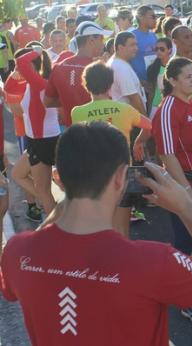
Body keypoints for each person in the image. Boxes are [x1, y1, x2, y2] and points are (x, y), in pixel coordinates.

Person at [0, 121, 192, 344]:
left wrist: (65, 202)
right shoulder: (153, 261)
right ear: (121, 178)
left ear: (58, 177)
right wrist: (187, 208)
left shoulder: (16, 251)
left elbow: (13, 284)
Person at [151, 57, 192, 324]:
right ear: (172, 80)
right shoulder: (168, 108)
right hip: (185, 184)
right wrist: (186, 190)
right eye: (188, 76)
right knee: (184, 241)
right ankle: (185, 299)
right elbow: (166, 154)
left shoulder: (188, 103)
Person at [71, 61, 152, 236]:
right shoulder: (124, 109)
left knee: (98, 226)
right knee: (122, 227)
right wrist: (139, 142)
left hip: (94, 177)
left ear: (86, 85)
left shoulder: (77, 112)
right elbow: (149, 126)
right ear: (110, 85)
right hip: (122, 175)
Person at [7, 46, 59, 217]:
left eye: (17, 66)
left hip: (42, 141)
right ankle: (54, 206)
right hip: (37, 141)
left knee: (42, 190)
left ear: (30, 65)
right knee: (17, 174)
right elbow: (8, 88)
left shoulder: (39, 83)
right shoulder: (34, 83)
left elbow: (22, 62)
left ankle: (55, 224)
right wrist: (15, 75)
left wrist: (37, 49)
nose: (16, 69)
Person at [44, 22, 111, 127]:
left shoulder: (58, 67)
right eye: (102, 40)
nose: (103, 44)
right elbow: (110, 102)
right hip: (97, 132)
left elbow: (47, 102)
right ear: (91, 41)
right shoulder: (99, 69)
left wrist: (68, 101)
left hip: (71, 133)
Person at [108, 31, 148, 163]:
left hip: (126, 121)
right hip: (132, 124)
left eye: (136, 44)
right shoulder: (120, 67)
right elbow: (133, 97)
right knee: (136, 166)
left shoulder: (118, 63)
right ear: (120, 47)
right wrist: (146, 124)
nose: (136, 48)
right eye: (131, 45)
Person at [130, 6, 158, 82]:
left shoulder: (153, 35)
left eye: (156, 17)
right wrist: (140, 81)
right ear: (141, 18)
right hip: (139, 85)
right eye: (153, 17)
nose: (155, 19)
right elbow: (125, 61)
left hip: (154, 81)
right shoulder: (131, 36)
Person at [147, 37, 173, 119]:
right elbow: (151, 91)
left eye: (162, 49)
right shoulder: (152, 68)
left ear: (169, 50)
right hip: (156, 105)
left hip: (172, 105)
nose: (158, 51)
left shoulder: (175, 67)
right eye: (156, 49)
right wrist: (149, 110)